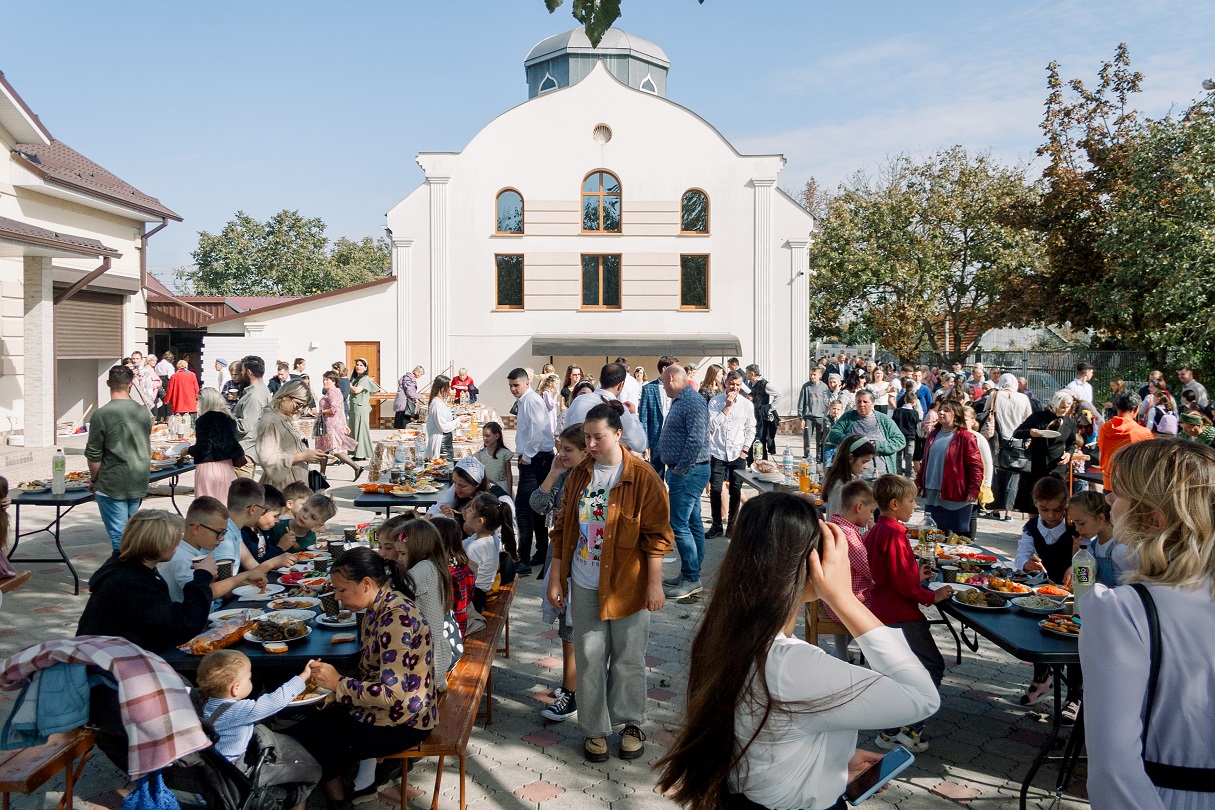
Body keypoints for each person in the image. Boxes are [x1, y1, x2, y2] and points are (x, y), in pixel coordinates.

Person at [655, 492, 939, 810]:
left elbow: (765, 741)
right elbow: (922, 698)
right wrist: (843, 598)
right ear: (811, 567)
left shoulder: (727, 632)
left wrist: (828, 762)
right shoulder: (790, 665)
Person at [1080, 439, 1215, 808]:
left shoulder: (1123, 610)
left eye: (1118, 493)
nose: (1108, 501)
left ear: (1153, 519)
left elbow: (1114, 768)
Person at [547, 402, 673, 763]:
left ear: (618, 434)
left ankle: (630, 723)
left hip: (628, 583)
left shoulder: (643, 477)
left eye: (597, 437)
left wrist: (655, 584)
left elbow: (657, 537)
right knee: (589, 657)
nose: (590, 445)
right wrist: (557, 577)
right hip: (585, 581)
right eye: (586, 437)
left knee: (628, 658)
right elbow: (563, 530)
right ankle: (593, 729)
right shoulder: (580, 474)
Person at [284, 548, 436, 808]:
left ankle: (338, 799)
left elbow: (393, 695)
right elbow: (371, 673)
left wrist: (337, 683)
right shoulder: (381, 606)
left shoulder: (396, 618)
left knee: (309, 740)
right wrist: (333, 690)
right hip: (386, 711)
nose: (337, 597)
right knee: (309, 726)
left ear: (366, 584)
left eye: (342, 590)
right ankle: (340, 794)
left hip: (405, 722)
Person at [864, 475, 952, 752]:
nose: (915, 506)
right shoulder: (895, 534)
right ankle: (911, 729)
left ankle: (890, 732)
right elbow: (902, 585)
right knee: (931, 667)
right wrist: (930, 596)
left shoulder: (876, 530)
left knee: (898, 674)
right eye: (911, 501)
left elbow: (890, 575)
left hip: (882, 611)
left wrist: (916, 573)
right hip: (901, 614)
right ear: (894, 504)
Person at [197, 649, 319, 810]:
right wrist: (304, 676)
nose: (251, 680)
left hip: (213, 770)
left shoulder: (204, 705)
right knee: (306, 773)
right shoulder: (239, 710)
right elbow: (275, 701)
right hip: (237, 774)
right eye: (249, 678)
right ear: (236, 688)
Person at [77, 510, 213, 653]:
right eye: (174, 539)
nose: (178, 543)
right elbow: (184, 625)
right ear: (159, 543)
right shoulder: (130, 583)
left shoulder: (127, 568)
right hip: (110, 663)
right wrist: (203, 577)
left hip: (112, 654)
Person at [531, 422, 588, 723]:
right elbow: (537, 504)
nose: (562, 454)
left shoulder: (590, 480)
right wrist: (553, 471)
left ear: (585, 450)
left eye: (568, 450)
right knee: (567, 630)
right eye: (560, 449)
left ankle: (573, 691)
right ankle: (573, 687)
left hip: (580, 563)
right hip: (560, 561)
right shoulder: (564, 475)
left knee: (573, 630)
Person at [1014, 475, 1081, 716]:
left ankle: (1075, 694)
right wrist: (1026, 564)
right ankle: (1042, 679)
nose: (1051, 516)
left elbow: (1088, 553)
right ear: (1035, 504)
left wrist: (1075, 562)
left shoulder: (1076, 526)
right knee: (1040, 633)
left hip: (1074, 594)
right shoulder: (1032, 528)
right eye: (1044, 510)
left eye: (1058, 510)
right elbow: (1021, 555)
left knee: (1072, 641)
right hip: (1046, 591)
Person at [659, 364, 712, 600]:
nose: (662, 386)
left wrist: (680, 469)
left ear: (671, 378)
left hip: (689, 471)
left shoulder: (692, 401)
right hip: (687, 470)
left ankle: (692, 578)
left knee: (679, 524)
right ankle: (690, 572)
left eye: (662, 381)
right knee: (691, 523)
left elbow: (696, 439)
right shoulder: (682, 399)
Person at [86, 365, 152, 551]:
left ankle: (123, 576)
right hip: (138, 478)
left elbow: (93, 454)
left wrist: (94, 479)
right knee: (131, 534)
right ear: (130, 384)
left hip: (112, 481)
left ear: (108, 384)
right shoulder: (142, 412)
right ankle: (134, 573)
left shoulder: (101, 414)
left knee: (120, 538)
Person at [822, 480, 878, 661]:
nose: (871, 517)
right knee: (889, 609)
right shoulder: (848, 536)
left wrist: (871, 530)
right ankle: (878, 662)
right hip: (848, 601)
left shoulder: (838, 526)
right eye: (871, 512)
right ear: (859, 507)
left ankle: (839, 656)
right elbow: (871, 571)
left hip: (833, 598)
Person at [397, 519, 456, 690]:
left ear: (417, 550)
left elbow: (395, 593)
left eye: (402, 554)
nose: (399, 559)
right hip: (430, 654)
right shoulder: (432, 564)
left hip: (425, 661)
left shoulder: (424, 568)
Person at [508, 367, 555, 575]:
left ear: (527, 383)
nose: (513, 389)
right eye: (510, 385)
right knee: (535, 509)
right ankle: (541, 552)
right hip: (534, 457)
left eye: (516, 385)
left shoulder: (531, 400)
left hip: (536, 459)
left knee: (524, 510)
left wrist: (527, 456)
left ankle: (523, 559)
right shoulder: (525, 400)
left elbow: (537, 431)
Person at [915, 400, 983, 537]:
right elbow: (925, 462)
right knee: (933, 534)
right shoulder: (933, 434)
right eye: (940, 410)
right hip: (933, 492)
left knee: (958, 538)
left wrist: (974, 489)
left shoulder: (966, 437)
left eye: (946, 410)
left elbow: (975, 466)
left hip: (955, 493)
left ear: (956, 415)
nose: (941, 412)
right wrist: (918, 483)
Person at [706, 370, 756, 540]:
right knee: (715, 489)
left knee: (736, 489)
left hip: (737, 452)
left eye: (737, 385)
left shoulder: (747, 404)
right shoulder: (715, 401)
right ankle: (717, 524)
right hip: (718, 451)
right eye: (731, 384)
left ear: (741, 385)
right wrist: (726, 407)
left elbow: (751, 429)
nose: (734, 387)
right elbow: (711, 427)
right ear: (725, 383)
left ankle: (732, 525)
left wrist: (745, 451)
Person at [1012, 390, 1078, 516]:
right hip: (1036, 464)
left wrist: (1069, 454)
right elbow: (1017, 433)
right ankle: (1033, 529)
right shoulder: (1039, 417)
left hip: (1056, 466)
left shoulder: (1070, 423)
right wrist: (1030, 433)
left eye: (1067, 407)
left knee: (1055, 499)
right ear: (1055, 404)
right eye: (1062, 407)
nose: (1064, 410)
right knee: (1034, 501)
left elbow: (1072, 443)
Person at [255, 380, 324, 492]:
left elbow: (292, 446)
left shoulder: (283, 417)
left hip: (296, 483)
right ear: (284, 397)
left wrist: (310, 453)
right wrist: (302, 456)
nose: (300, 409)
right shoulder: (270, 421)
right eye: (298, 404)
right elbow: (268, 459)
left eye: (304, 406)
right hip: (285, 487)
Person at [563, 363, 648, 451]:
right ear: (621, 385)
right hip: (600, 461)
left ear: (600, 379)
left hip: (577, 460)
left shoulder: (578, 400)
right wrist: (633, 415)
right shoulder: (619, 409)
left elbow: (566, 433)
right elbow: (640, 445)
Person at [825, 391, 906, 481]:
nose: (861, 404)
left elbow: (900, 441)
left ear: (873, 404)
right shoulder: (848, 417)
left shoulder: (884, 419)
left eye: (865, 402)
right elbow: (833, 435)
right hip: (852, 477)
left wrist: (878, 445)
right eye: (858, 401)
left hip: (880, 477)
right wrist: (853, 442)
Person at [190, 388, 247, 504]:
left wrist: (188, 450)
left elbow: (203, 448)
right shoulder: (229, 419)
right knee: (226, 505)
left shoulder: (204, 419)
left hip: (208, 468)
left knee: (206, 507)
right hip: (227, 467)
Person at [462, 491, 514, 612]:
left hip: (475, 600)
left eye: (471, 510)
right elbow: (461, 544)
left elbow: (466, 579)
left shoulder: (475, 548)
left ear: (480, 521)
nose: (467, 510)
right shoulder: (491, 537)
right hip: (483, 592)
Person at [1068, 490, 1126, 587]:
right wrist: (1078, 556)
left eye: (1081, 523)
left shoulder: (1121, 549)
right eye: (1074, 523)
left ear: (1100, 518)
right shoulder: (1093, 545)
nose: (1077, 529)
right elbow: (1084, 580)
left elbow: (1136, 585)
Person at [316, 371, 365, 480]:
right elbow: (342, 409)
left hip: (331, 424)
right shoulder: (332, 392)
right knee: (323, 449)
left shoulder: (333, 392)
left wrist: (322, 412)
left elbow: (334, 409)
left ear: (333, 381)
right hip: (327, 424)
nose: (324, 382)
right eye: (324, 379)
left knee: (334, 449)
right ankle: (322, 473)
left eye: (327, 380)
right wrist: (345, 424)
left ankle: (356, 467)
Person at [433, 516, 475, 637]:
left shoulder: (443, 574)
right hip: (459, 627)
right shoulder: (463, 566)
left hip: (446, 636)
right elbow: (471, 596)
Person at [639, 356, 679, 479]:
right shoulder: (649, 388)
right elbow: (644, 416)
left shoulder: (678, 388)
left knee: (675, 474)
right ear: (664, 369)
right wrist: (644, 442)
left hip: (674, 437)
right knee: (657, 473)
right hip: (657, 437)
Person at [233, 356, 271, 479]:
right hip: (248, 450)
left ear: (249, 372)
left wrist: (225, 419)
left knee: (241, 495)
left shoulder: (254, 396)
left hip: (244, 452)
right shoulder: (262, 390)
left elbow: (244, 426)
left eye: (242, 371)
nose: (240, 373)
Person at [822, 436, 877, 518]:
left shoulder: (849, 480)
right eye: (864, 462)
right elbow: (835, 518)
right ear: (851, 457)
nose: (866, 466)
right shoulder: (840, 487)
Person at [272, 490, 338, 552]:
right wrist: (280, 547)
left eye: (312, 517)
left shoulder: (311, 538)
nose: (305, 516)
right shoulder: (277, 527)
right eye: (305, 510)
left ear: (318, 525)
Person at [347, 358, 382, 461]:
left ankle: (361, 454)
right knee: (354, 430)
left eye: (361, 365)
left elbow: (357, 390)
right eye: (357, 365)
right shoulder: (355, 378)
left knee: (361, 430)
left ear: (365, 368)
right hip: (354, 407)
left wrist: (347, 384)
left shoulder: (364, 379)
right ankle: (356, 452)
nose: (358, 367)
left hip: (361, 407)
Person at [745, 364, 780, 461]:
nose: (745, 375)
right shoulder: (751, 384)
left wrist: (769, 408)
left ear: (752, 374)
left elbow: (778, 395)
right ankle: (751, 463)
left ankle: (762, 463)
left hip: (760, 418)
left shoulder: (764, 384)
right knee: (751, 439)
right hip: (752, 416)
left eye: (747, 373)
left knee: (760, 441)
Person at [424, 375, 461, 460]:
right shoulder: (437, 404)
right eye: (449, 387)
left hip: (446, 440)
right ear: (443, 388)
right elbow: (443, 426)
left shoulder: (440, 402)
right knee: (445, 468)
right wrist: (458, 420)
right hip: (442, 442)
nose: (450, 390)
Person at [797, 366, 830, 462]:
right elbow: (801, 402)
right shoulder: (806, 386)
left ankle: (819, 458)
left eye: (814, 375)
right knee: (807, 438)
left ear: (820, 375)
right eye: (811, 374)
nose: (812, 377)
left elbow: (827, 402)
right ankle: (807, 456)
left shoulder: (824, 387)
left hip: (821, 416)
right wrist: (801, 417)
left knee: (820, 440)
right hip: (808, 416)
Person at [473, 421, 514, 492]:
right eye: (483, 436)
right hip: (486, 488)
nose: (485, 438)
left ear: (497, 436)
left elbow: (508, 474)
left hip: (502, 487)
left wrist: (509, 492)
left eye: (488, 436)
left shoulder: (504, 454)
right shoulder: (480, 454)